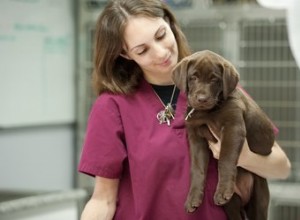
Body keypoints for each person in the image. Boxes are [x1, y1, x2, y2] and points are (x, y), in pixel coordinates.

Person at [78, 0, 291, 219]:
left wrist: (243, 156)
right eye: (142, 50)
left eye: (161, 35)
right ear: (125, 54)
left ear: (169, 23)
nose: (161, 53)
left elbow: (281, 167)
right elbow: (102, 200)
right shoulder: (113, 106)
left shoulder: (219, 89)